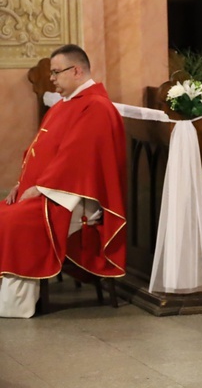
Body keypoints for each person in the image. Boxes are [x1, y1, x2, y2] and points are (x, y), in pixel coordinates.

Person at [0, 44, 126, 318]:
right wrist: (22, 185)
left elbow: (77, 161)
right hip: (52, 192)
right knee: (3, 211)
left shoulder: (96, 108)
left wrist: (41, 188)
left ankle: (14, 304)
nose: (53, 79)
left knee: (12, 221)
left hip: (74, 199)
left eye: (56, 72)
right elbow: (40, 150)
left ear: (77, 70)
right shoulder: (67, 104)